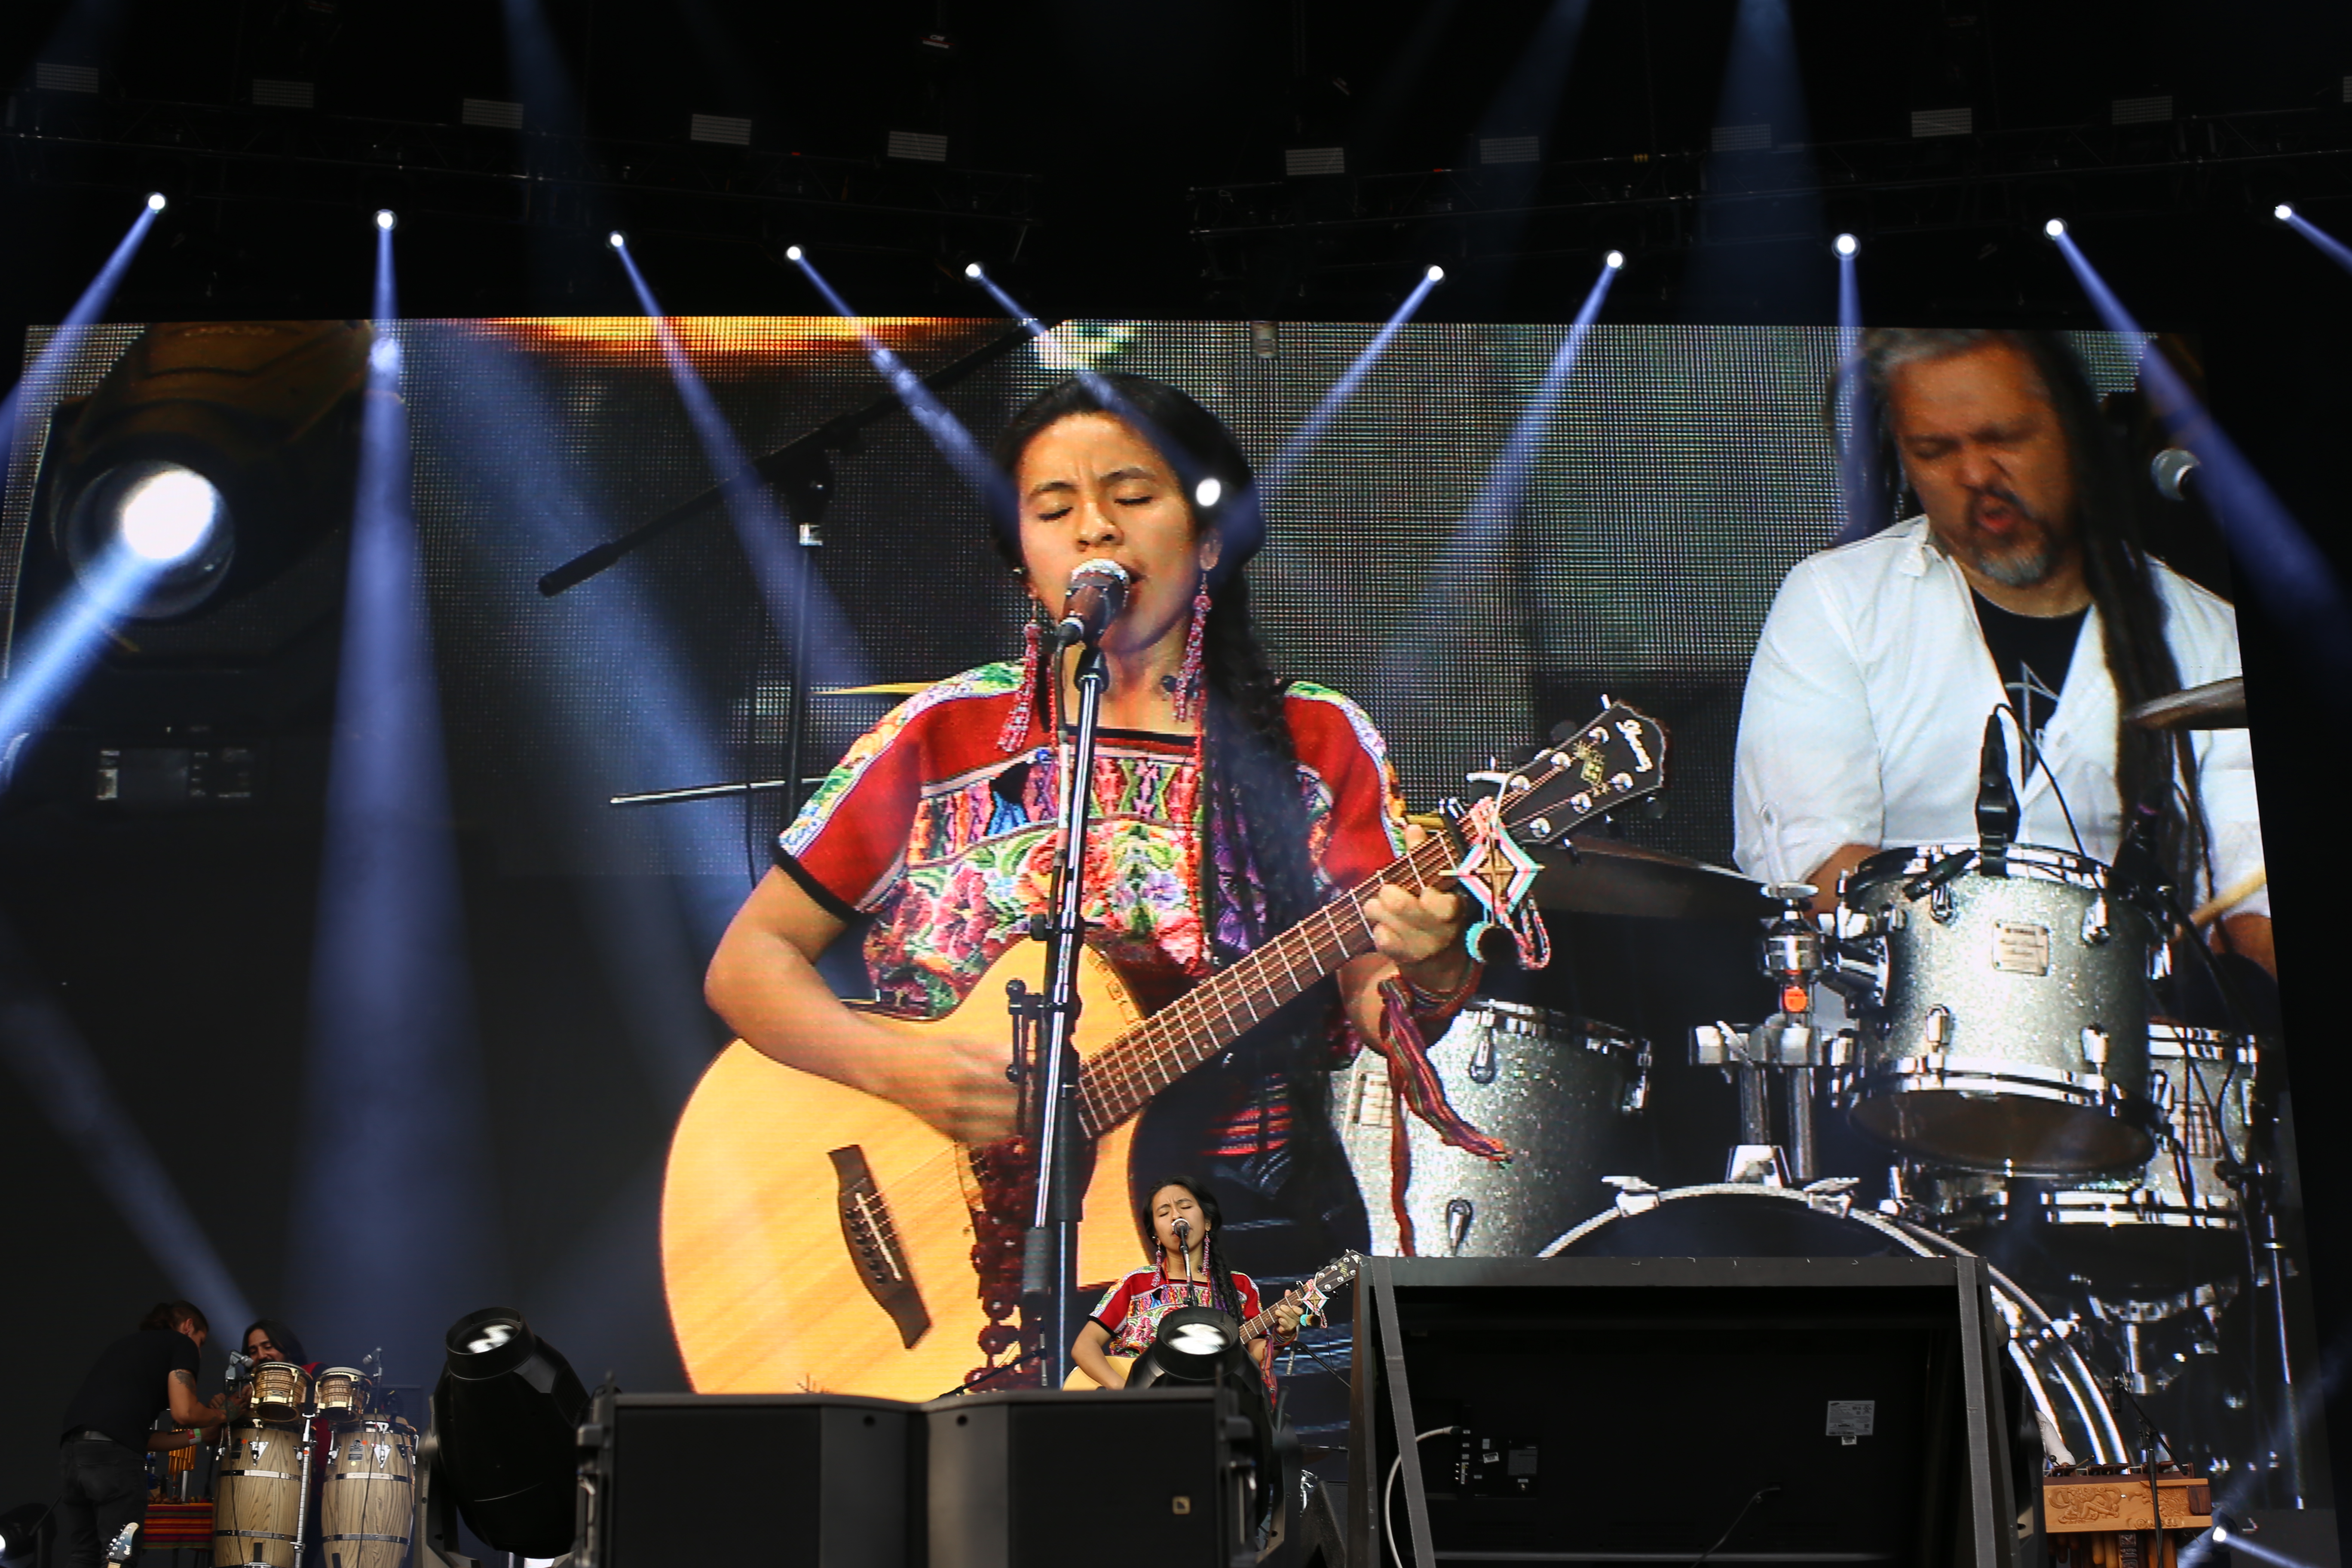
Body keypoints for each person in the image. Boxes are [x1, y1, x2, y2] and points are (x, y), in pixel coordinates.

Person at [705, 373, 1494, 1316]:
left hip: (1240, 1246)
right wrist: (906, 1073)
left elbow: (1378, 1004)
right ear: (1023, 557)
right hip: (956, 1266)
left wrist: (1437, 965)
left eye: (1130, 498)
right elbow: (748, 964)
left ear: (1206, 541)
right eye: (1054, 508)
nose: (1095, 531)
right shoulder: (944, 731)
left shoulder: (1317, 741)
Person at [1733, 328, 2271, 977]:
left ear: (2075, 432)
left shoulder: (2212, 634)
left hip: (2138, 1062)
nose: (1976, 475)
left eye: (2005, 438)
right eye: (1933, 451)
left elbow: (2253, 908)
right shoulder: (1836, 601)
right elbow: (1814, 874)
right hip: (1892, 1050)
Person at [1072, 1177, 1304, 1390]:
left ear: (1208, 1223)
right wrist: (1125, 1391)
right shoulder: (1135, 1284)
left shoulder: (1240, 1287)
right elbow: (1085, 1346)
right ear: (1156, 1235)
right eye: (1164, 1213)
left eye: (1185, 1207)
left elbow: (1254, 1357)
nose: (1176, 1216)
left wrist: (1283, 1334)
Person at [53, 1300, 227, 1568]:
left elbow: (140, 1438)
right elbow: (185, 1413)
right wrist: (226, 1414)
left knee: (83, 1555)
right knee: (119, 1558)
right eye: (201, 1343)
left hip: (74, 1453)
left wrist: (201, 1436)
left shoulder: (127, 1346)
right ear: (188, 1326)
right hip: (113, 1458)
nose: (199, 1353)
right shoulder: (181, 1343)